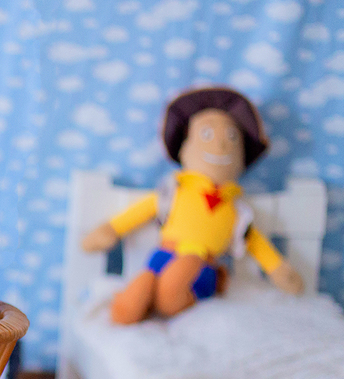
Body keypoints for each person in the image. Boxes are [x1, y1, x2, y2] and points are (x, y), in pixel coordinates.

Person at [82, 86, 304, 324]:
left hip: (202, 269)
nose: (220, 146)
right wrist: (110, 230)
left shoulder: (237, 211)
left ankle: (169, 297)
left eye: (231, 138)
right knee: (147, 280)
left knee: (181, 275)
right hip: (164, 256)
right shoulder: (174, 193)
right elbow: (139, 212)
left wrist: (278, 269)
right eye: (207, 135)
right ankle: (130, 305)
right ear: (186, 146)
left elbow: (255, 241)